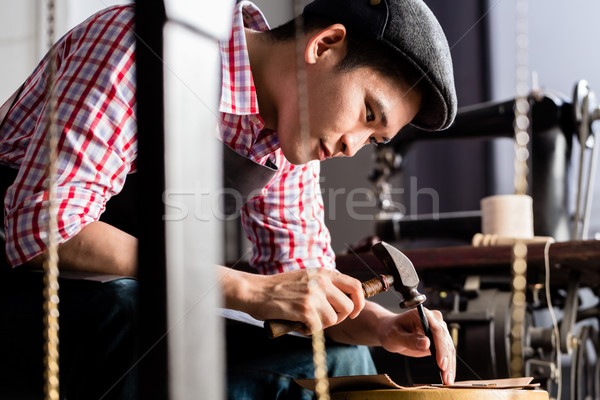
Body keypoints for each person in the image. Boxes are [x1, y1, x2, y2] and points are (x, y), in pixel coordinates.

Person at [0, 0, 457, 399]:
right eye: (367, 113)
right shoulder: (144, 45)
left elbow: (300, 287)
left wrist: (380, 325)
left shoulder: (289, 140)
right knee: (134, 314)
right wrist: (247, 290)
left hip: (124, 301)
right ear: (324, 45)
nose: (352, 146)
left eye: (374, 138)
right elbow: (43, 228)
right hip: (20, 289)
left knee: (340, 361)